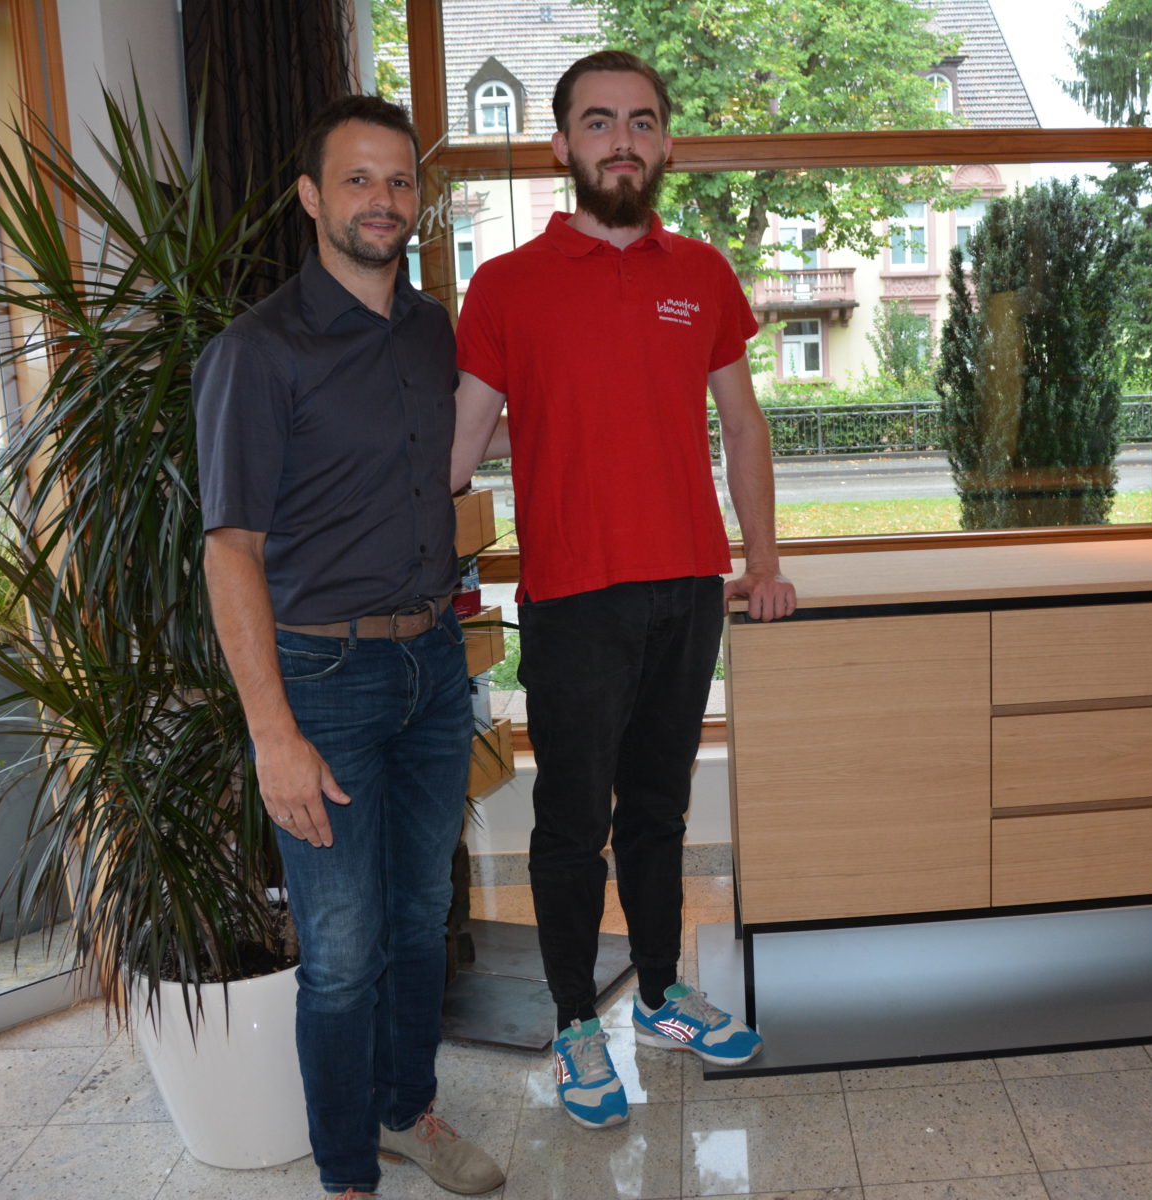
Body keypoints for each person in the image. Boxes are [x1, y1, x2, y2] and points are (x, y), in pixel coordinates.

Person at [449, 50, 797, 1130]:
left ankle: (659, 997)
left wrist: (762, 562)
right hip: (574, 597)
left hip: (687, 587)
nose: (623, 140)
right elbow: (459, 443)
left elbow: (743, 424)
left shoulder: (702, 272)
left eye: (642, 121)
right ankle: (572, 1023)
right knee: (571, 822)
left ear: (665, 143)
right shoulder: (504, 285)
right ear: (563, 144)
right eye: (599, 122)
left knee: (658, 810)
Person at [195, 94, 505, 1198]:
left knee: (421, 918)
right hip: (319, 680)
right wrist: (271, 735)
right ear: (311, 197)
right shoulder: (258, 350)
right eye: (359, 179)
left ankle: (405, 1110)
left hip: (431, 666)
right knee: (338, 950)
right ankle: (345, 1174)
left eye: (400, 180)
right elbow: (230, 551)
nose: (384, 199)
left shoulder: (428, 330)